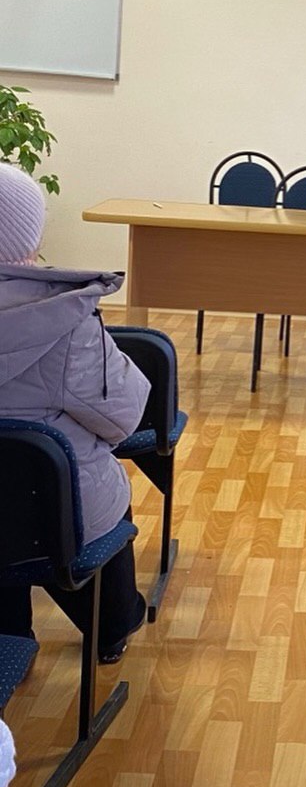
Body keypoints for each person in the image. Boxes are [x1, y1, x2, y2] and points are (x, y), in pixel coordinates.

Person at [0, 163, 149, 663]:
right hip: (57, 517)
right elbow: (124, 418)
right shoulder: (66, 317)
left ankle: (12, 640)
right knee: (92, 484)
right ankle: (112, 628)